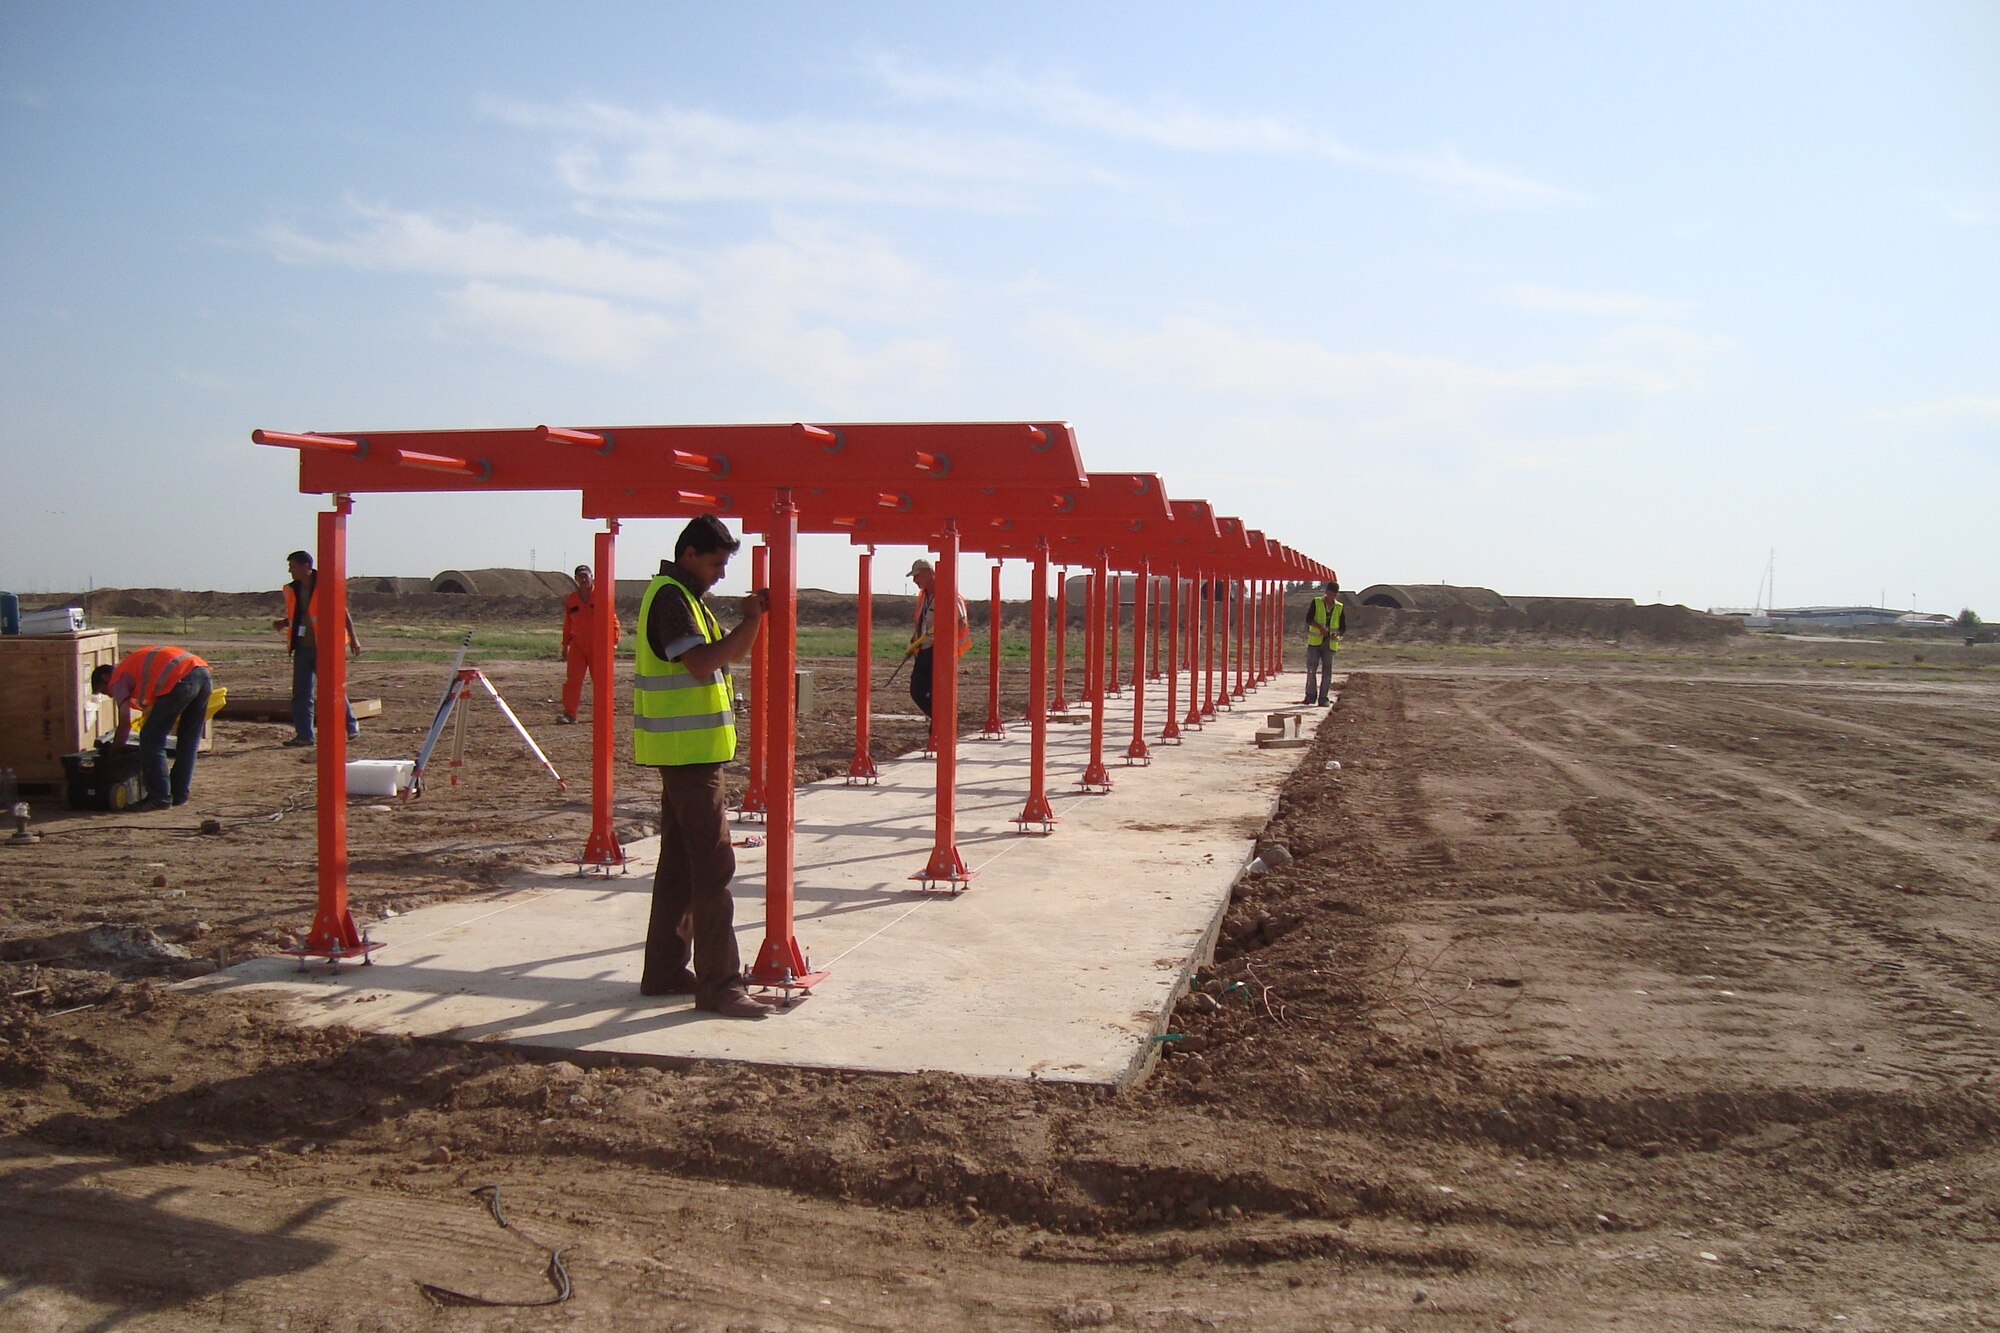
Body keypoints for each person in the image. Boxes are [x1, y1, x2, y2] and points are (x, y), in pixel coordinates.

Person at [633, 514, 773, 1018]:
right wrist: (753, 621)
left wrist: (749, 621)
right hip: (687, 757)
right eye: (715, 563)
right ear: (689, 554)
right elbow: (701, 663)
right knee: (714, 866)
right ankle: (719, 985)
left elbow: (714, 657)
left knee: (678, 865)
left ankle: (665, 969)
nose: (718, 573)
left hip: (687, 753)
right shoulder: (672, 598)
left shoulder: (685, 598)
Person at [92, 645, 213, 811]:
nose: (110, 695)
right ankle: (178, 794)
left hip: (180, 678)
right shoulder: (134, 669)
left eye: (105, 691)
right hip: (202, 674)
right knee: (189, 740)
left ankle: (159, 797)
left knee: (150, 739)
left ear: (106, 678)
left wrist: (113, 753)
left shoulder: (117, 679)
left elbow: (125, 723)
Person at [273, 550, 361, 747]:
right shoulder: (292, 589)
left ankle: (351, 725)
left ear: (306, 566)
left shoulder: (327, 584)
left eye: (293, 566)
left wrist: (354, 639)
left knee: (333, 689)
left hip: (326, 647)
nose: (290, 571)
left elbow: (342, 612)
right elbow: (301, 617)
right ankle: (304, 736)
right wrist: (284, 622)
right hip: (302, 648)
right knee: (301, 694)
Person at [904, 557, 971, 720]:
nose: (914, 580)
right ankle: (942, 720)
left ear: (929, 573)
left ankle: (940, 728)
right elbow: (921, 623)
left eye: (917, 575)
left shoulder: (949, 594)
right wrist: (914, 643)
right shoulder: (923, 597)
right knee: (917, 691)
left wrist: (943, 630)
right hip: (924, 650)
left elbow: (960, 622)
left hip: (942, 652)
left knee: (938, 693)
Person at [558, 563, 621, 723]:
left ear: (592, 576)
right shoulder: (572, 599)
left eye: (586, 575)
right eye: (580, 576)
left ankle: (603, 714)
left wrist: (614, 642)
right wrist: (565, 645)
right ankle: (569, 714)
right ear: (576, 579)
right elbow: (568, 624)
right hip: (578, 646)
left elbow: (613, 620)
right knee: (573, 681)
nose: (583, 578)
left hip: (599, 646)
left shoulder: (601, 595)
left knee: (601, 681)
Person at [1302, 579, 1344, 706]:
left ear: (1336, 594)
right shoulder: (1316, 602)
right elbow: (1309, 619)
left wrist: (1336, 634)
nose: (1330, 596)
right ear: (1326, 592)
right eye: (1329, 593)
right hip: (1315, 643)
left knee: (1327, 672)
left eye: (1333, 594)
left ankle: (1323, 698)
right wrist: (1320, 628)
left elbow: (1343, 627)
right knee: (1311, 670)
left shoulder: (1339, 607)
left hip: (1330, 644)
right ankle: (1310, 696)